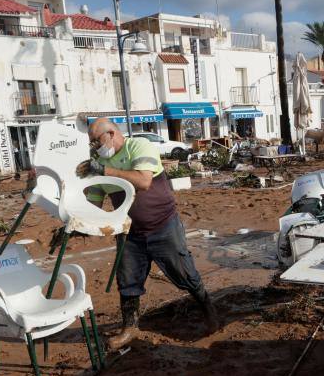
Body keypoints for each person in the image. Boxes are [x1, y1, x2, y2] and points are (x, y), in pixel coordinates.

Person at [77, 118, 219, 349]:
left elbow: (143, 181)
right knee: (127, 280)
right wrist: (76, 221)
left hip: (163, 225)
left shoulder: (140, 146)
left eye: (97, 141)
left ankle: (208, 309)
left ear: (112, 133)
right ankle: (130, 327)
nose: (95, 147)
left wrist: (104, 170)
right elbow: (93, 201)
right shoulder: (98, 161)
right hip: (130, 232)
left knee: (185, 273)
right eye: (91, 143)